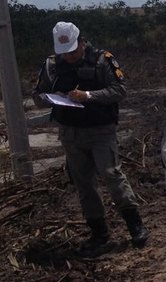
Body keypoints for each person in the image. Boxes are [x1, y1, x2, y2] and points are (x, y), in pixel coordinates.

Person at [33, 21, 148, 255]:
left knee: (112, 175)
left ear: (82, 43)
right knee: (83, 184)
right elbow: (37, 96)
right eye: (64, 54)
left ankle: (135, 225)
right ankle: (98, 232)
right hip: (70, 132)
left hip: (100, 130)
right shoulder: (51, 66)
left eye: (73, 52)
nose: (70, 57)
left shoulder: (102, 60)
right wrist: (50, 97)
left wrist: (88, 95)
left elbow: (120, 90)